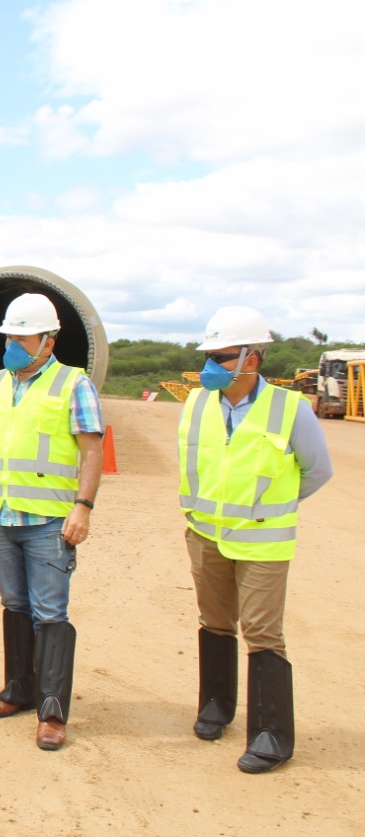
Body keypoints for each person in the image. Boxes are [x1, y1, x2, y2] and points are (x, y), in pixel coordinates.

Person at [179, 306, 332, 773]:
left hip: (263, 543)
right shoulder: (196, 403)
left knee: (263, 633)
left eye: (222, 356)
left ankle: (270, 735)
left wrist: (270, 507)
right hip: (206, 535)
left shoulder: (291, 410)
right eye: (209, 354)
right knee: (214, 620)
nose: (210, 364)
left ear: (252, 359)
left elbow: (316, 471)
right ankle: (216, 707)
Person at [0, 292, 103, 751]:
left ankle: (52, 711)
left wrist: (83, 506)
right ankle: (19, 688)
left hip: (50, 522)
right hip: (1, 517)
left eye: (21, 337)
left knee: (50, 612)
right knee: (15, 604)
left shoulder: (74, 386)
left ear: (48, 343)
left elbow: (92, 449)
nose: (12, 345)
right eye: (8, 337)